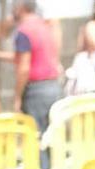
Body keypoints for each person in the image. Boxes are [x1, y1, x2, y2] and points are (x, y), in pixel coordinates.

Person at [6, 0, 59, 136]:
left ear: (20, 8)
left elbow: (24, 68)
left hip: (36, 92)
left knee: (36, 139)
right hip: (53, 86)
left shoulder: (24, 31)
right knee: (53, 139)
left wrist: (17, 97)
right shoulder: (45, 26)